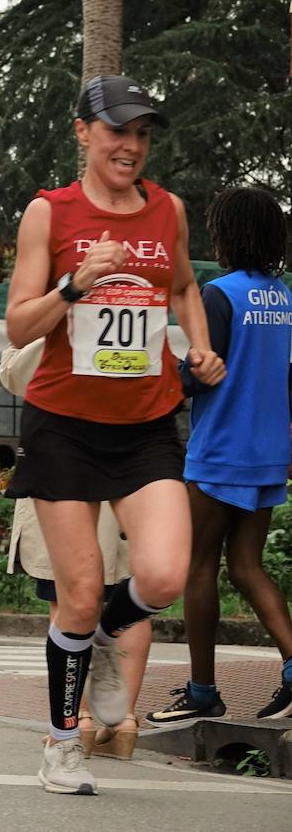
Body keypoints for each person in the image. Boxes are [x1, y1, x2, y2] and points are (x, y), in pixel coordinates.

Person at [4, 74, 224, 795]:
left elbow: (185, 286)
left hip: (146, 425)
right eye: (117, 131)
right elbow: (18, 324)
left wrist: (197, 344)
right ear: (83, 133)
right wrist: (75, 285)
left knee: (162, 574)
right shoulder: (50, 213)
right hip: (64, 426)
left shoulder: (168, 211)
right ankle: (63, 745)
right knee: (77, 592)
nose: (130, 146)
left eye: (141, 134)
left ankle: (104, 637)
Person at [149, 188, 292, 726]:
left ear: (228, 235)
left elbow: (204, 372)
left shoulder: (218, 295)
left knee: (199, 566)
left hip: (220, 451)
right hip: (269, 452)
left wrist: (174, 369)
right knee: (248, 565)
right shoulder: (284, 297)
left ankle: (203, 690)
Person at [2, 338, 152, 759]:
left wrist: (50, 319)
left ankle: (82, 719)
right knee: (131, 598)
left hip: (62, 470)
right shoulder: (136, 304)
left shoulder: (50, 306)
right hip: (128, 469)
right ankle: (124, 721)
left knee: (67, 599)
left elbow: (15, 375)